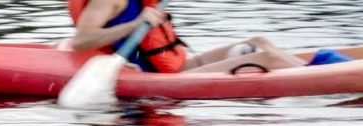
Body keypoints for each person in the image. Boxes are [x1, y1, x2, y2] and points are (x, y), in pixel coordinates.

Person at [66, 0, 326, 73]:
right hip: (154, 79)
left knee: (258, 41)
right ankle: (323, 76)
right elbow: (81, 40)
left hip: (177, 68)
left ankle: (312, 69)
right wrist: (134, 23)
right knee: (265, 57)